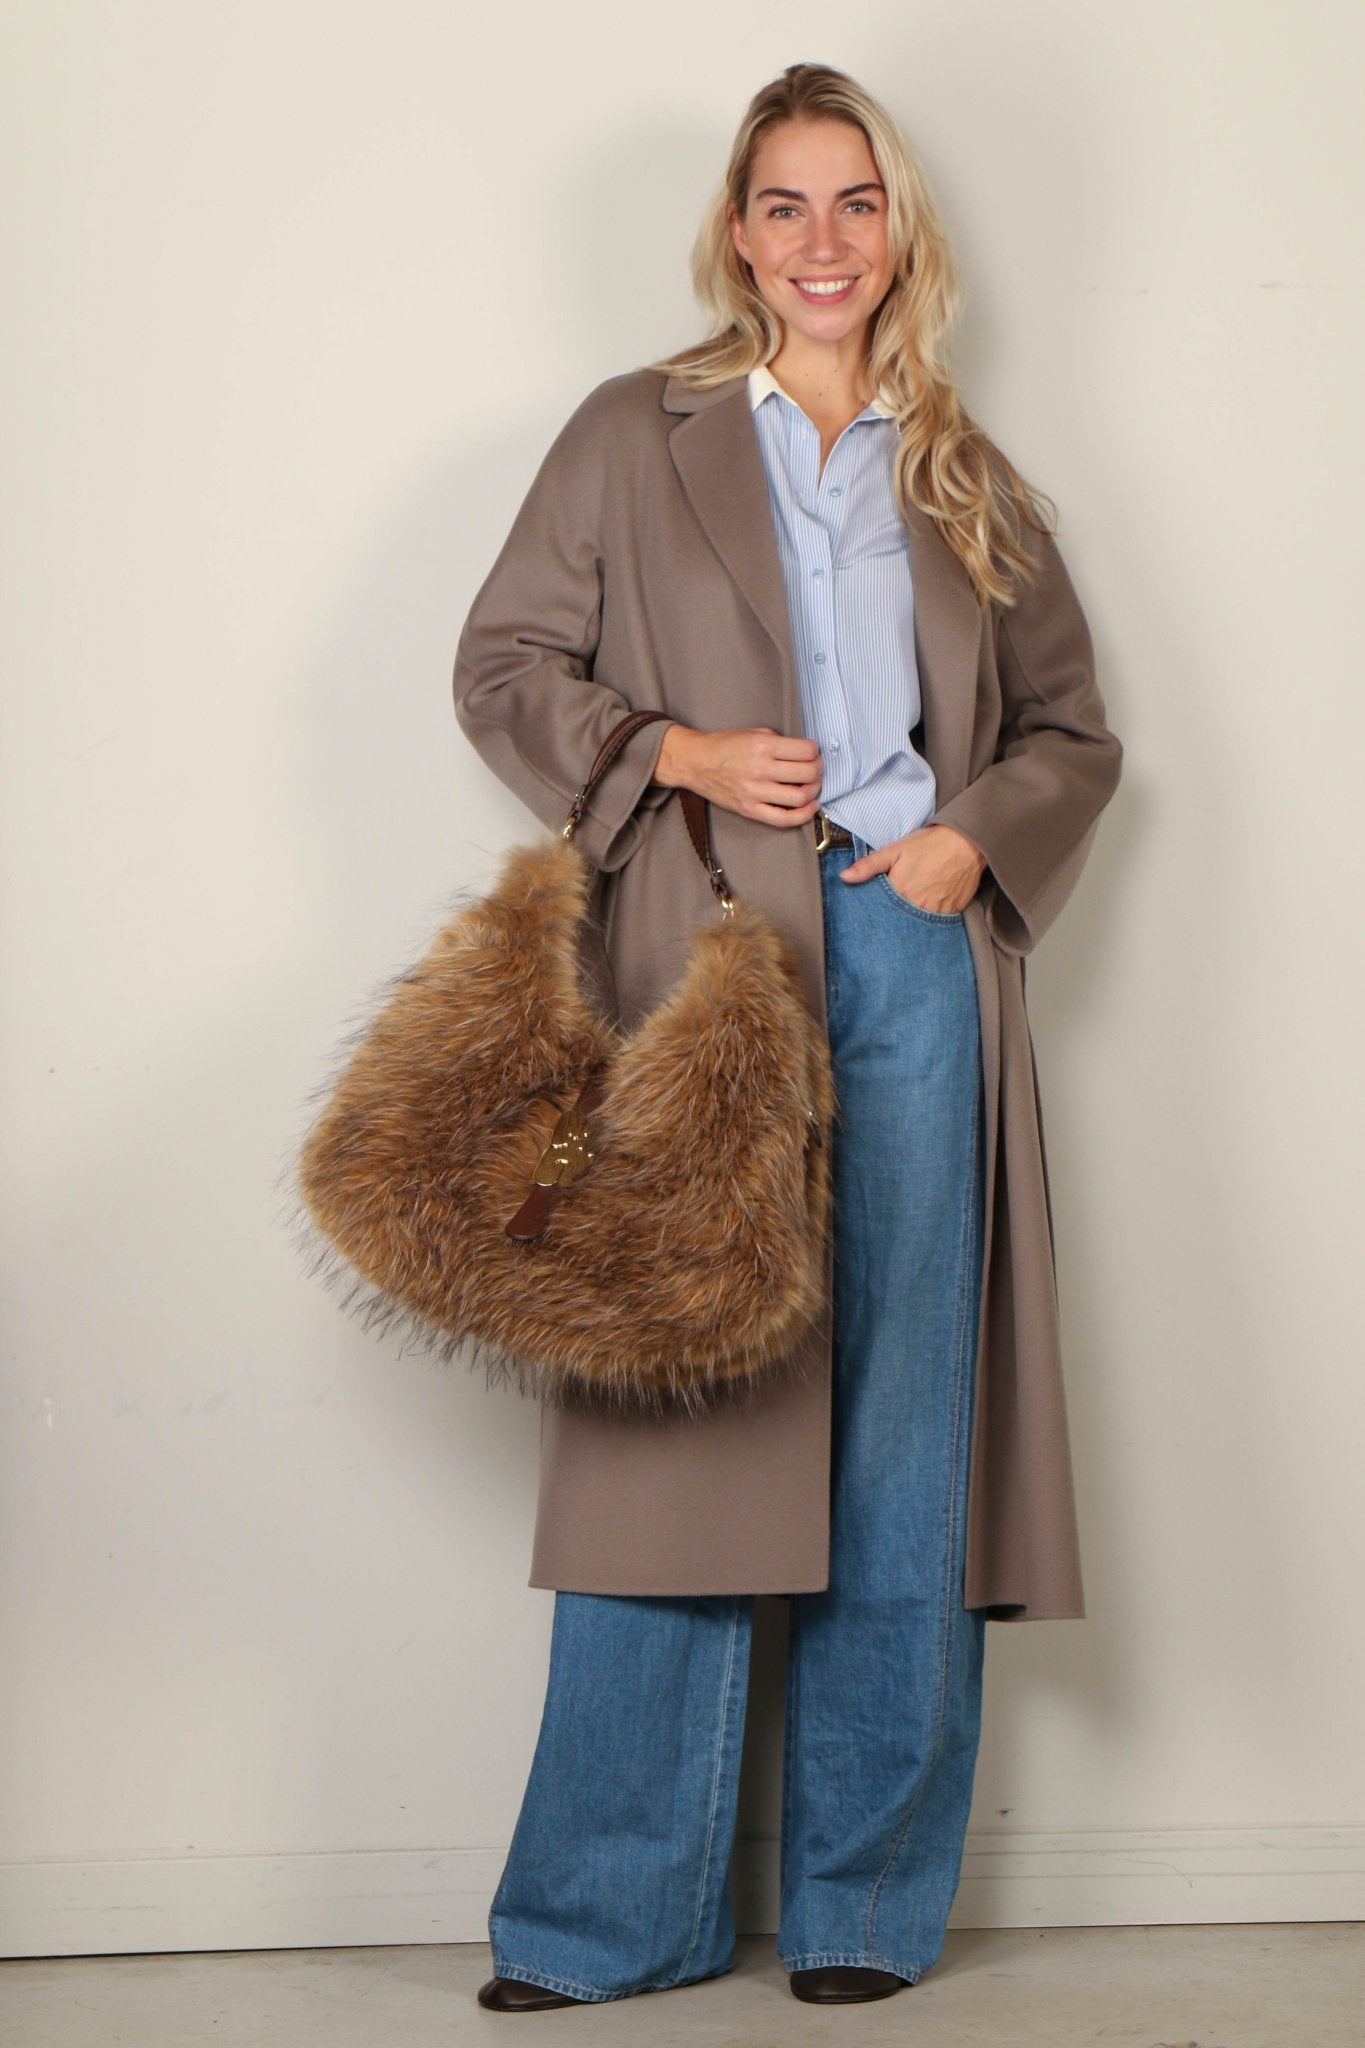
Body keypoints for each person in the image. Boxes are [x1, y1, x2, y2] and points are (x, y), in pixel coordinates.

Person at [451, 61, 1121, 2011]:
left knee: (903, 1434)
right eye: (782, 204)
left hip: (909, 955)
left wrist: (966, 842)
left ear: (896, 233)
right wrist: (669, 749)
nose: (820, 240)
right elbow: (501, 662)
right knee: (673, 1412)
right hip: (701, 966)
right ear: (736, 236)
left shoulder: (965, 475)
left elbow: (1070, 735)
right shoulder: (631, 433)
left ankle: (860, 1907)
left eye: (854, 202)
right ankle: (605, 1917)